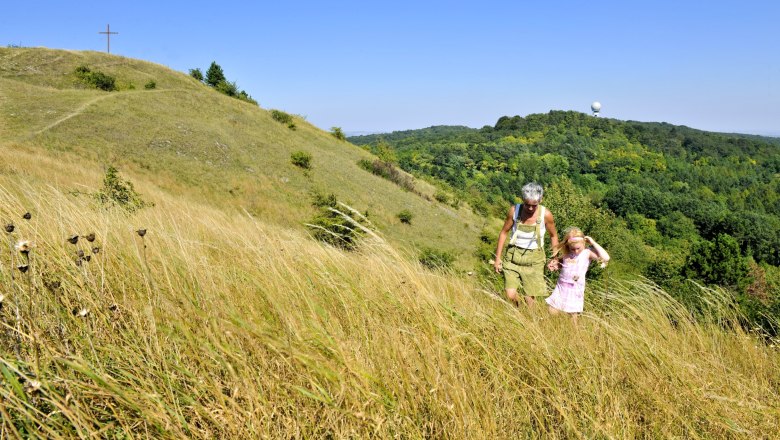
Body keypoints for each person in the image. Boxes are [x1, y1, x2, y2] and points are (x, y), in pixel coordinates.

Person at [494, 182, 559, 307]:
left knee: (530, 300)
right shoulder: (514, 211)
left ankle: (527, 318)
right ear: (523, 199)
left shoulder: (546, 215)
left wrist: (554, 258)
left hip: (535, 259)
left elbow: (553, 236)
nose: (530, 208)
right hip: (513, 257)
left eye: (534, 205)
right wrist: (498, 258)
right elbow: (503, 233)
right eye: (527, 204)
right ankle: (519, 308)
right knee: (510, 295)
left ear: (541, 200)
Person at [545, 227, 610, 325]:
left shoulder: (587, 253)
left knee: (572, 317)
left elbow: (606, 257)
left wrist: (593, 242)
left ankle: (575, 336)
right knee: (552, 311)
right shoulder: (566, 254)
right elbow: (560, 264)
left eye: (578, 248)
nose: (575, 251)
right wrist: (554, 264)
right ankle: (554, 330)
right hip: (561, 287)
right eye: (573, 249)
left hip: (575, 289)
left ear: (584, 243)